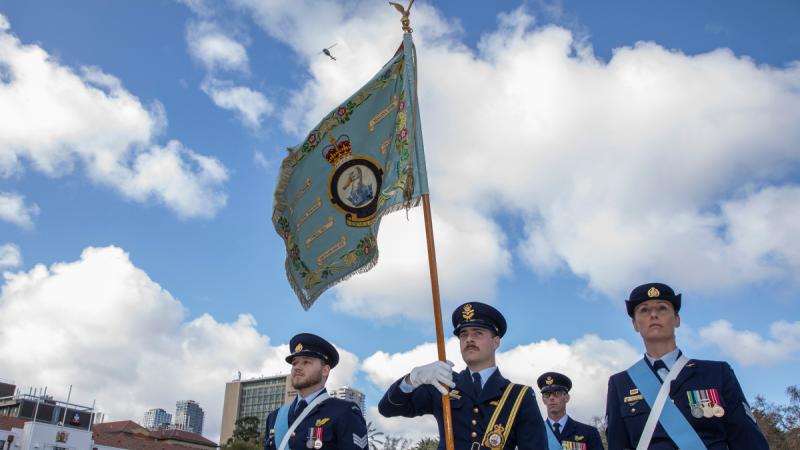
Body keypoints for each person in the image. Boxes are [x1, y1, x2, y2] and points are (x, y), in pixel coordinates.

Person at [605, 283, 769, 449]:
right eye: (644, 310)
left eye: (662, 308)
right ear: (635, 324)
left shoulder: (718, 373)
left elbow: (747, 440)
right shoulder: (620, 384)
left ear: (677, 319)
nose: (653, 314)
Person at [378, 302, 548, 449]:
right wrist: (412, 379)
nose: (469, 339)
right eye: (464, 334)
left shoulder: (519, 396)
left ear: (496, 342)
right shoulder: (444, 383)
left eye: (477, 333)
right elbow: (387, 408)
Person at [265, 333, 367, 450]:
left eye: (306, 362)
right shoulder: (274, 417)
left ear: (324, 370)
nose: (297, 367)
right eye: (294, 363)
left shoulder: (345, 412)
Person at [537, 371, 603, 450]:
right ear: (543, 400)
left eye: (557, 393)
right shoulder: (535, 434)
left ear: (567, 398)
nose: (551, 398)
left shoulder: (588, 433)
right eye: (547, 395)